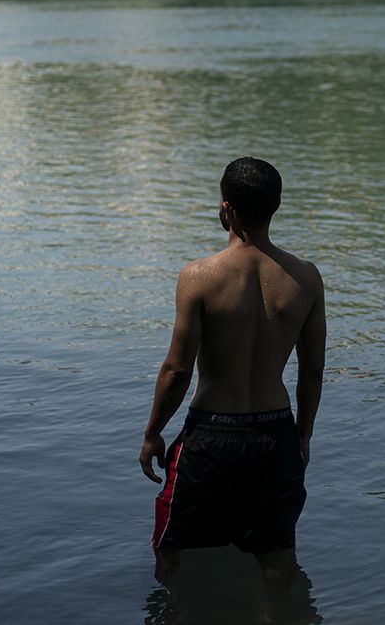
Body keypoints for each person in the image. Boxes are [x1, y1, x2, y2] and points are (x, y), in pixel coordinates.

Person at [141, 157, 326, 584]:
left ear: (226, 209)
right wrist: (303, 435)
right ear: (276, 207)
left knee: (173, 552)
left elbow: (177, 368)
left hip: (210, 437)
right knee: (277, 558)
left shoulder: (198, 277)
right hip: (275, 435)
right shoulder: (306, 278)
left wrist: (153, 432)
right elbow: (312, 370)